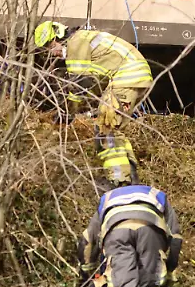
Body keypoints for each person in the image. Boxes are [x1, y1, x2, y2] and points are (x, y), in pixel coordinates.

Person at [34, 21, 152, 185]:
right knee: (115, 129)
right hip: (134, 77)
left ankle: (118, 180)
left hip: (126, 78)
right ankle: (131, 178)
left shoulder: (76, 45)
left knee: (106, 128)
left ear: (57, 37)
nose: (50, 52)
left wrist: (67, 114)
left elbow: (79, 85)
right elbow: (93, 82)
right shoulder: (83, 39)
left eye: (49, 46)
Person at [78, 183, 182, 287]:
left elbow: (87, 241)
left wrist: (86, 274)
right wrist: (170, 268)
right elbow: (176, 238)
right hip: (151, 231)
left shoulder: (107, 199)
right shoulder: (157, 194)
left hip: (116, 233)